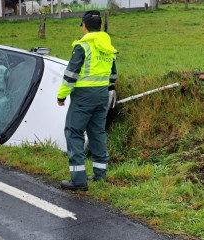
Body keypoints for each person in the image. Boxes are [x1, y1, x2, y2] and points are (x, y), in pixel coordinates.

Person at [57, 10, 118, 191]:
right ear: (100, 26)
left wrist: (61, 95)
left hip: (83, 96)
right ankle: (100, 175)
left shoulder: (82, 46)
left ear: (84, 26)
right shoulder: (108, 46)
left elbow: (70, 75)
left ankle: (78, 180)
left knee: (74, 132)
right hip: (102, 94)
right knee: (97, 133)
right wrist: (108, 89)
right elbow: (113, 75)